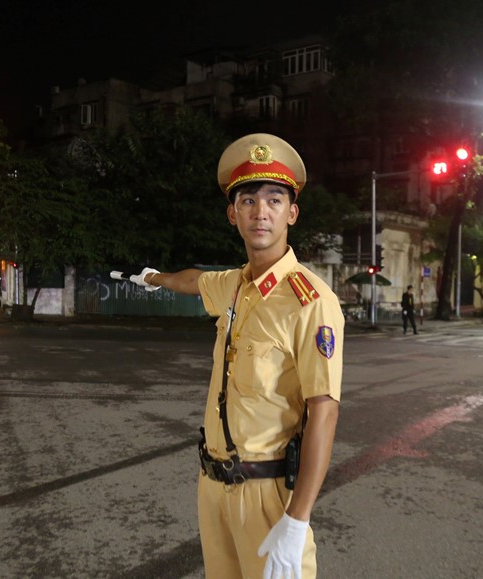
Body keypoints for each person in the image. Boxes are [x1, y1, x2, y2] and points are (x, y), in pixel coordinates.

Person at [126, 133, 343, 579]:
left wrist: (297, 519)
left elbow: (324, 411)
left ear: (292, 213)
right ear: (232, 213)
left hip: (267, 494)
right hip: (212, 487)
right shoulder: (234, 284)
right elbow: (195, 281)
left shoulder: (311, 301)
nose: (260, 211)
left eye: (274, 199)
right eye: (247, 200)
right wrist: (154, 278)